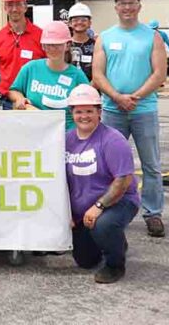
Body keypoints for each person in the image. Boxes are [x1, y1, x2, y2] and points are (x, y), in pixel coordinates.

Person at [92, 0, 167, 237]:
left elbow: (159, 73)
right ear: (115, 6)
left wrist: (134, 96)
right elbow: (97, 74)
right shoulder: (106, 37)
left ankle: (153, 213)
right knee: (108, 164)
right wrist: (116, 96)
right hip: (112, 110)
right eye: (122, 3)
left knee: (151, 164)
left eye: (131, 2)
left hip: (143, 109)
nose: (127, 7)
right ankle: (108, 207)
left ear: (139, 5)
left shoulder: (152, 36)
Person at [64, 84, 140, 283]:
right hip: (83, 208)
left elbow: (123, 180)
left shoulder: (113, 140)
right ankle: (116, 241)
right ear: (72, 113)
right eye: (79, 111)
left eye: (90, 111)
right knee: (85, 261)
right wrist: (66, 212)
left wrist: (99, 206)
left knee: (104, 225)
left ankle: (115, 265)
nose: (84, 116)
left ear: (99, 112)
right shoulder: (66, 140)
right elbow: (59, 179)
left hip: (118, 201)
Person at [9, 21, 90, 129]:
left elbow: (88, 106)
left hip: (67, 135)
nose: (52, 49)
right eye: (48, 45)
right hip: (34, 131)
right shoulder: (31, 68)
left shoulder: (77, 76)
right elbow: (14, 90)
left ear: (67, 45)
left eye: (57, 45)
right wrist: (19, 98)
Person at [0, 0, 45, 109]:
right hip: (5, 102)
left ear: (25, 6)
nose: (14, 9)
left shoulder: (41, 36)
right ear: (4, 7)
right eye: (10, 4)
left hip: (34, 101)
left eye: (18, 4)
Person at [68, 3, 95, 81]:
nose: (79, 22)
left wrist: (88, 89)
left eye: (83, 20)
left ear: (90, 23)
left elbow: (99, 72)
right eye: (75, 20)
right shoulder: (64, 45)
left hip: (91, 89)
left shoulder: (96, 45)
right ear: (70, 23)